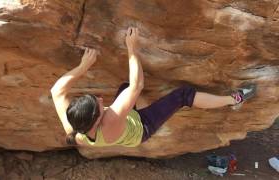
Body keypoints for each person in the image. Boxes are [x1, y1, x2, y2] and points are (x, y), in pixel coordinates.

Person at [50, 27, 256, 147]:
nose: (101, 99)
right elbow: (138, 85)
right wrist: (132, 48)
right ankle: (234, 99)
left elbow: (56, 91)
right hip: (143, 128)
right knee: (183, 95)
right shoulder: (110, 120)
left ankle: (146, 107)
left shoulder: (74, 129)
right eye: (98, 103)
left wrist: (82, 66)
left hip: (125, 121)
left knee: (124, 87)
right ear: (97, 120)